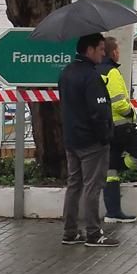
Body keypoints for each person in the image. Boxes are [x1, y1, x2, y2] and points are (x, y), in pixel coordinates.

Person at [58, 32, 116, 247]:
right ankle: (93, 232)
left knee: (74, 185)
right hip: (92, 142)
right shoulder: (91, 76)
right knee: (93, 186)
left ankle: (70, 231)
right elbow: (99, 111)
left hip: (72, 139)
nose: (104, 53)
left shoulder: (66, 73)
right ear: (89, 50)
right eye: (101, 48)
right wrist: (105, 136)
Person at [101, 36, 137, 223]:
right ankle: (123, 165)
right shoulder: (112, 72)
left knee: (111, 171)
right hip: (122, 126)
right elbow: (119, 102)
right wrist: (130, 110)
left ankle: (113, 212)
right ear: (113, 52)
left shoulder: (95, 71)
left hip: (104, 128)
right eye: (118, 50)